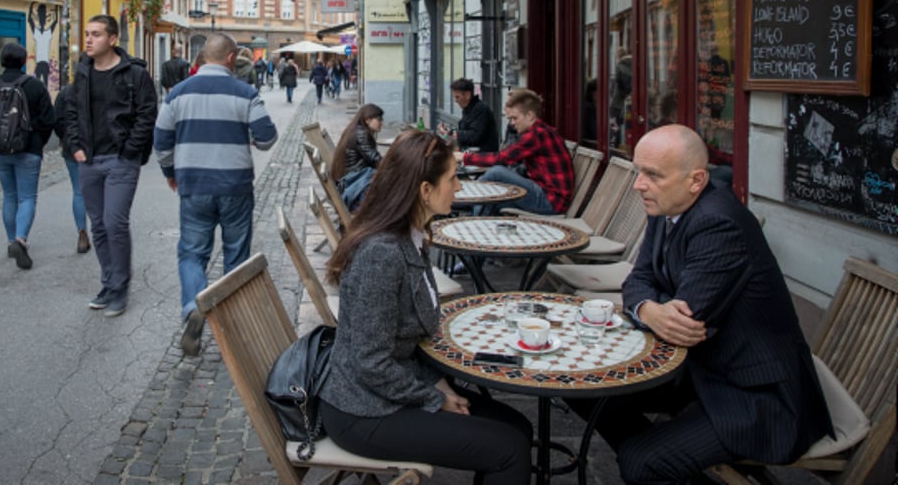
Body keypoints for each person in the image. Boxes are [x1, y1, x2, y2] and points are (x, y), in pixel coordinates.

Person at [569, 124, 832, 484]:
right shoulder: (668, 205)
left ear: (696, 180)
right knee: (583, 386)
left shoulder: (718, 223)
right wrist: (649, 308)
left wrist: (654, 306)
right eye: (637, 170)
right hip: (701, 372)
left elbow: (684, 321)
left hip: (755, 397)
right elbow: (638, 280)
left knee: (641, 461)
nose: (638, 184)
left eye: (652, 175)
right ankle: (670, 462)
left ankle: (658, 460)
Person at [320, 130, 532, 484]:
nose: (459, 188)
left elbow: (407, 343)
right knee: (509, 449)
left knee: (518, 427)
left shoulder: (411, 237)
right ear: (424, 191)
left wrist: (441, 386)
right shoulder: (382, 254)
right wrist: (432, 398)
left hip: (393, 389)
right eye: (452, 179)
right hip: (364, 410)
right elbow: (371, 362)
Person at [154, 33, 278, 356]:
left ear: (202, 57)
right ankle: (231, 328)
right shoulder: (246, 92)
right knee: (236, 255)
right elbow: (267, 138)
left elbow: (161, 141)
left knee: (193, 253)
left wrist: (171, 174)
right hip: (235, 186)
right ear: (230, 58)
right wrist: (243, 139)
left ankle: (193, 308)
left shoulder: (176, 94)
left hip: (194, 185)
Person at [65, 15, 157, 317]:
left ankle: (120, 288)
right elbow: (72, 110)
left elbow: (147, 114)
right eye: (87, 34)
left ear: (112, 39)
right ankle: (108, 283)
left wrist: (130, 151)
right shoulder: (83, 72)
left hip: (121, 160)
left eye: (96, 35)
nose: (89, 40)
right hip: (89, 160)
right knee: (99, 226)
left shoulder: (134, 74)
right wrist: (76, 146)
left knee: (115, 222)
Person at [0, 42, 55, 270]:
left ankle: (11, 241)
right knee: (27, 197)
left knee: (9, 196)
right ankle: (21, 239)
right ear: (23, 61)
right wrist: (37, 140)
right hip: (29, 150)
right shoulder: (35, 86)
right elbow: (49, 119)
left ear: (1, 61)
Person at [460, 89, 573, 215]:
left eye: (514, 118)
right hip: (546, 194)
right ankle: (474, 218)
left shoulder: (536, 135)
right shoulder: (540, 131)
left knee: (497, 172)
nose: (512, 123)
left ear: (529, 116)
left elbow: (503, 158)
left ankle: (467, 199)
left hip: (550, 201)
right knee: (495, 201)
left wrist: (465, 157)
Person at [53, 82, 90, 254]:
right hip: (98, 148)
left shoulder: (66, 92)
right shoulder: (104, 87)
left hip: (72, 148)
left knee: (79, 191)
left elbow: (57, 121)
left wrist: (67, 139)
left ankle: (82, 232)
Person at [330, 103, 384, 211]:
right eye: (379, 119)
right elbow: (376, 159)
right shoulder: (361, 134)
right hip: (355, 183)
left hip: (349, 180)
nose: (382, 122)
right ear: (368, 119)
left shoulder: (356, 129)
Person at [439, 78, 501, 152]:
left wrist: (454, 133)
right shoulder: (468, 109)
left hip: (482, 156)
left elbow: (475, 136)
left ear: (468, 95)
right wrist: (449, 131)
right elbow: (465, 131)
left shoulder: (481, 109)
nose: (456, 101)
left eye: (457, 97)